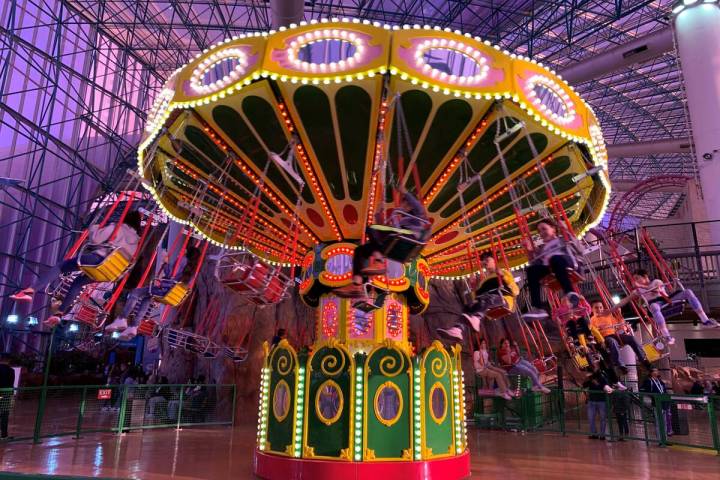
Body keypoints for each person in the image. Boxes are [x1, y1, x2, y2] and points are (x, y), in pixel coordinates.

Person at [11, 211, 143, 324]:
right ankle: (59, 313)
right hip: (110, 272)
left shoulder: (118, 227)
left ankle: (31, 290)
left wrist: (95, 228)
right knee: (78, 282)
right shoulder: (136, 241)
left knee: (61, 266)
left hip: (99, 260)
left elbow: (96, 240)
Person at [335, 189, 428, 298]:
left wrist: (405, 192)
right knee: (360, 250)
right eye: (403, 202)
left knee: (372, 228)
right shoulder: (401, 218)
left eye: (404, 203)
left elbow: (418, 206)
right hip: (397, 242)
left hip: (410, 238)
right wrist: (378, 215)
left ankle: (379, 262)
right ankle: (357, 284)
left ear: (410, 205)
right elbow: (384, 232)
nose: (401, 205)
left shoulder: (418, 215)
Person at [105, 244, 201, 339]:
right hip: (172, 295)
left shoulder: (182, 260)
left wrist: (165, 262)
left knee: (135, 293)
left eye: (185, 250)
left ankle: (122, 318)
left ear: (188, 253)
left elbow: (170, 274)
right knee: (147, 298)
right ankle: (134, 326)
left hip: (164, 291)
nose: (182, 250)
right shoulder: (193, 271)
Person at [436, 252, 519, 342]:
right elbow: (475, 298)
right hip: (488, 302)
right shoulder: (483, 282)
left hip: (504, 300)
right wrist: (472, 286)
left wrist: (503, 277)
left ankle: (476, 318)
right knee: (469, 306)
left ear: (494, 260)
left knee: (487, 298)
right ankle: (458, 329)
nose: (485, 263)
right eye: (483, 262)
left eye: (487, 260)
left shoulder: (503, 273)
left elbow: (516, 291)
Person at [633, 269, 718, 345]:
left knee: (688, 292)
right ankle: (666, 336)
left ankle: (705, 320)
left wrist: (642, 286)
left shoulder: (656, 281)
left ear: (645, 276)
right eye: (635, 279)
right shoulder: (639, 290)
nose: (636, 281)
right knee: (654, 307)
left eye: (637, 278)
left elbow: (656, 290)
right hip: (656, 304)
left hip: (666, 299)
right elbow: (630, 299)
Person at [522, 218, 584, 320]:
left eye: (544, 229)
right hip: (551, 268)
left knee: (555, 258)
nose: (541, 233)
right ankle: (538, 307)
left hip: (566, 262)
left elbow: (580, 249)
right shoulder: (542, 249)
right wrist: (529, 251)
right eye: (539, 231)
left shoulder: (562, 239)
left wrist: (566, 231)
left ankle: (569, 292)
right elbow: (535, 263)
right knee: (531, 270)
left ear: (553, 229)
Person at [589, 299, 653, 373]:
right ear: (592, 309)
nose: (599, 309)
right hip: (605, 338)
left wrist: (619, 314)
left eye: (600, 307)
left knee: (631, 338)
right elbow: (593, 332)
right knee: (612, 342)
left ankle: (643, 359)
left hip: (615, 335)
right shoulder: (592, 320)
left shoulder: (607, 315)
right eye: (596, 308)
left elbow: (618, 325)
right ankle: (620, 364)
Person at [584, 361, 614, 440]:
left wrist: (597, 383)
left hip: (601, 400)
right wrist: (588, 379)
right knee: (591, 418)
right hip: (592, 400)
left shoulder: (602, 376)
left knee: (602, 418)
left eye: (595, 365)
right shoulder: (590, 377)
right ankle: (594, 433)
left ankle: (602, 434)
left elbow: (605, 386)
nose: (594, 367)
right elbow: (584, 385)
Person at [641, 367, 673, 438]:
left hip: (664, 403)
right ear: (651, 373)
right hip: (657, 403)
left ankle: (665, 438)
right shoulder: (649, 381)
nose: (657, 372)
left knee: (664, 422)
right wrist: (653, 397)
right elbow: (646, 391)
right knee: (659, 422)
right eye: (655, 371)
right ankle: (660, 439)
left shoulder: (659, 380)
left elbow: (663, 390)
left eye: (657, 371)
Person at [0, 355, 16, 439]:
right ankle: (4, 435)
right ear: (9, 360)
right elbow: (11, 384)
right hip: (5, 395)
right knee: (4, 414)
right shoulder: (11, 371)